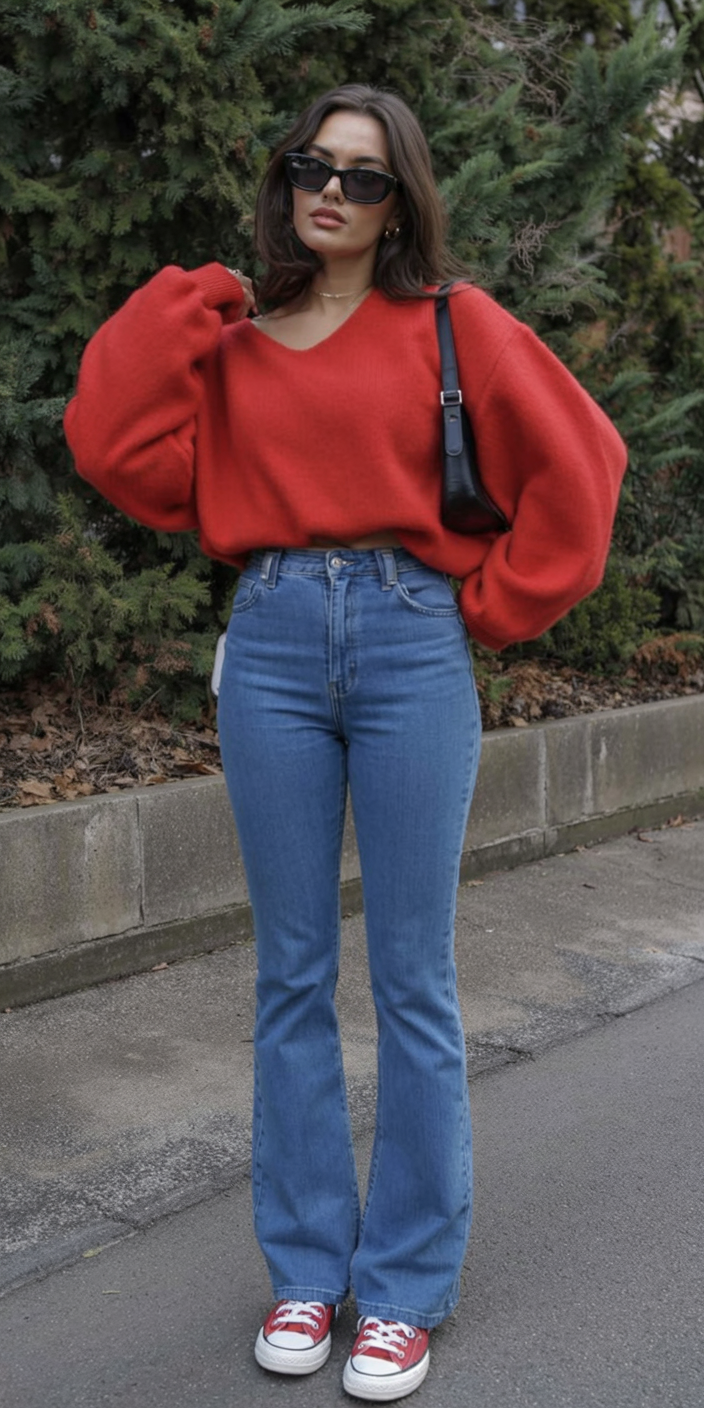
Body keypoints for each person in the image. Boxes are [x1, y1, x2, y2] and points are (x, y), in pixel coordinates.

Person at [64, 83, 627, 1402]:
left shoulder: (453, 324)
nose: (333, 190)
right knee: (291, 975)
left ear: (402, 198)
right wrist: (198, 293)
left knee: (415, 978)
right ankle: (309, 1271)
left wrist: (482, 608)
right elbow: (108, 441)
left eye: (364, 177)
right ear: (287, 178)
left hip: (407, 643)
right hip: (264, 643)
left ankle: (409, 1290)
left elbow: (583, 468)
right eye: (313, 166)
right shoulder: (240, 339)